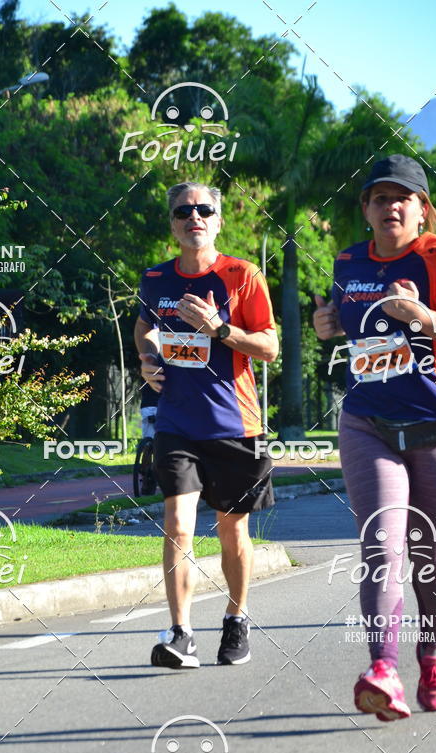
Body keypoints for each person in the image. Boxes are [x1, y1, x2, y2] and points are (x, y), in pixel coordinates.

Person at [314, 154, 436, 720]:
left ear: (421, 209)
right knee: (381, 547)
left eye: (402, 197)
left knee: (427, 553)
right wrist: (327, 323)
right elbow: (343, 320)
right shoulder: (348, 261)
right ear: (366, 209)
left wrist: (424, 316)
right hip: (367, 421)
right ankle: (383, 668)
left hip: (434, 424)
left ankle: (432, 656)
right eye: (380, 197)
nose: (392, 206)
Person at [134, 181, 278, 669]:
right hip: (176, 422)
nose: (194, 217)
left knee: (231, 530)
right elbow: (143, 323)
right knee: (176, 525)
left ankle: (236, 620)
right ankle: (181, 633)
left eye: (204, 210)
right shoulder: (156, 278)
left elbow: (270, 347)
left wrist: (218, 330)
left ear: (218, 220)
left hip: (235, 424)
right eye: (183, 211)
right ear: (172, 223)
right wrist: (147, 356)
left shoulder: (242, 276)